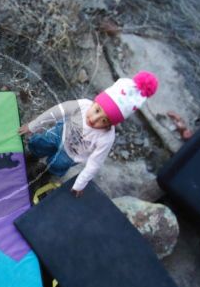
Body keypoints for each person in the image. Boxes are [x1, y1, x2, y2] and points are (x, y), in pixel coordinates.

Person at [18, 72, 159, 197]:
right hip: (58, 134)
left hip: (71, 154)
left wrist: (80, 184)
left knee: (57, 165)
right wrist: (33, 125)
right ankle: (32, 156)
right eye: (97, 111)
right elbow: (57, 111)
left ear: (111, 124)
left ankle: (44, 174)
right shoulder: (83, 105)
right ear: (95, 102)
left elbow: (94, 163)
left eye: (104, 121)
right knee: (40, 143)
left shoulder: (106, 138)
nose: (94, 119)